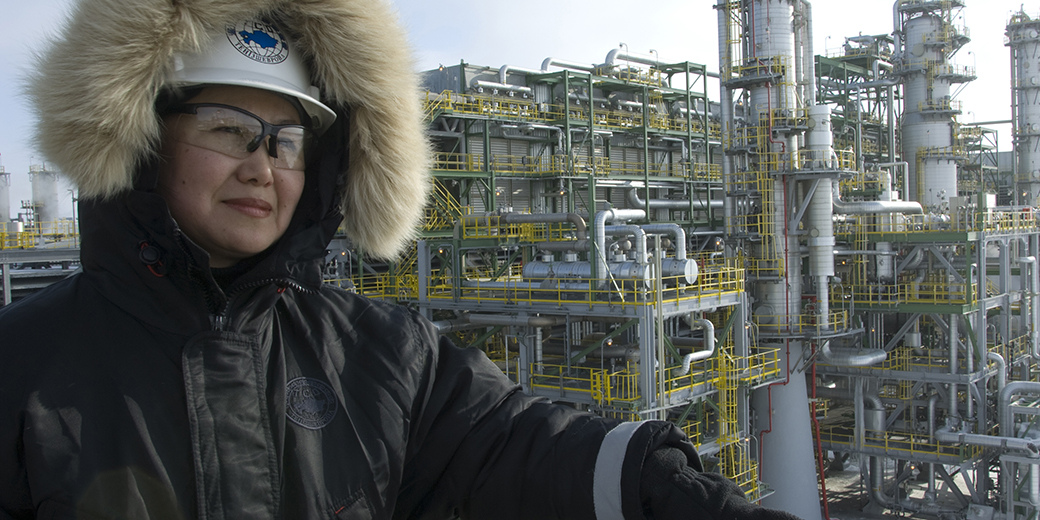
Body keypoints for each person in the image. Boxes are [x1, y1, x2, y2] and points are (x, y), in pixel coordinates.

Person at [0, 1, 804, 519]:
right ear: (144, 136)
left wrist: (662, 490)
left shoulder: (381, 356)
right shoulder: (25, 370)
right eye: (226, 128)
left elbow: (513, 444)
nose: (262, 166)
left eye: (288, 142)